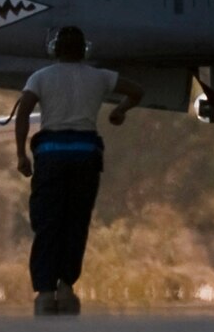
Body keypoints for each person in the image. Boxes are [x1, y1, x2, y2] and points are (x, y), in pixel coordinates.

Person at [11, 26, 144, 315]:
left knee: (48, 224)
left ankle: (45, 293)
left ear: (55, 49)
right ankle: (66, 287)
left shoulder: (41, 77)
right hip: (85, 157)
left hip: (50, 157)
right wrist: (118, 111)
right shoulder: (100, 77)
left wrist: (21, 154)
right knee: (75, 222)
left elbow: (23, 113)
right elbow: (136, 91)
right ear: (85, 50)